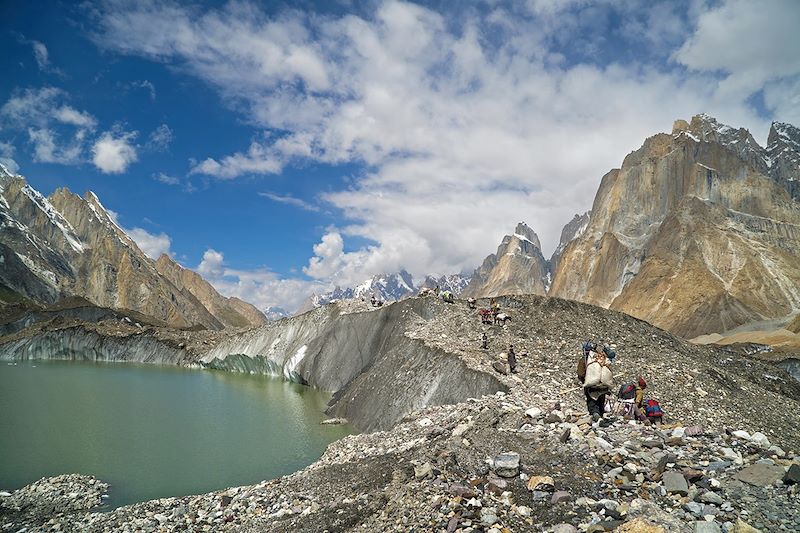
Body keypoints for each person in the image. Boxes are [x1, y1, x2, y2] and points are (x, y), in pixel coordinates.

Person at [578, 342, 613, 421]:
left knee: (592, 403)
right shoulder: (600, 359)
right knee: (601, 401)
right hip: (603, 385)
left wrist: (584, 381)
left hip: (591, 386)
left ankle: (596, 417)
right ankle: (601, 417)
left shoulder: (584, 360)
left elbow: (581, 373)